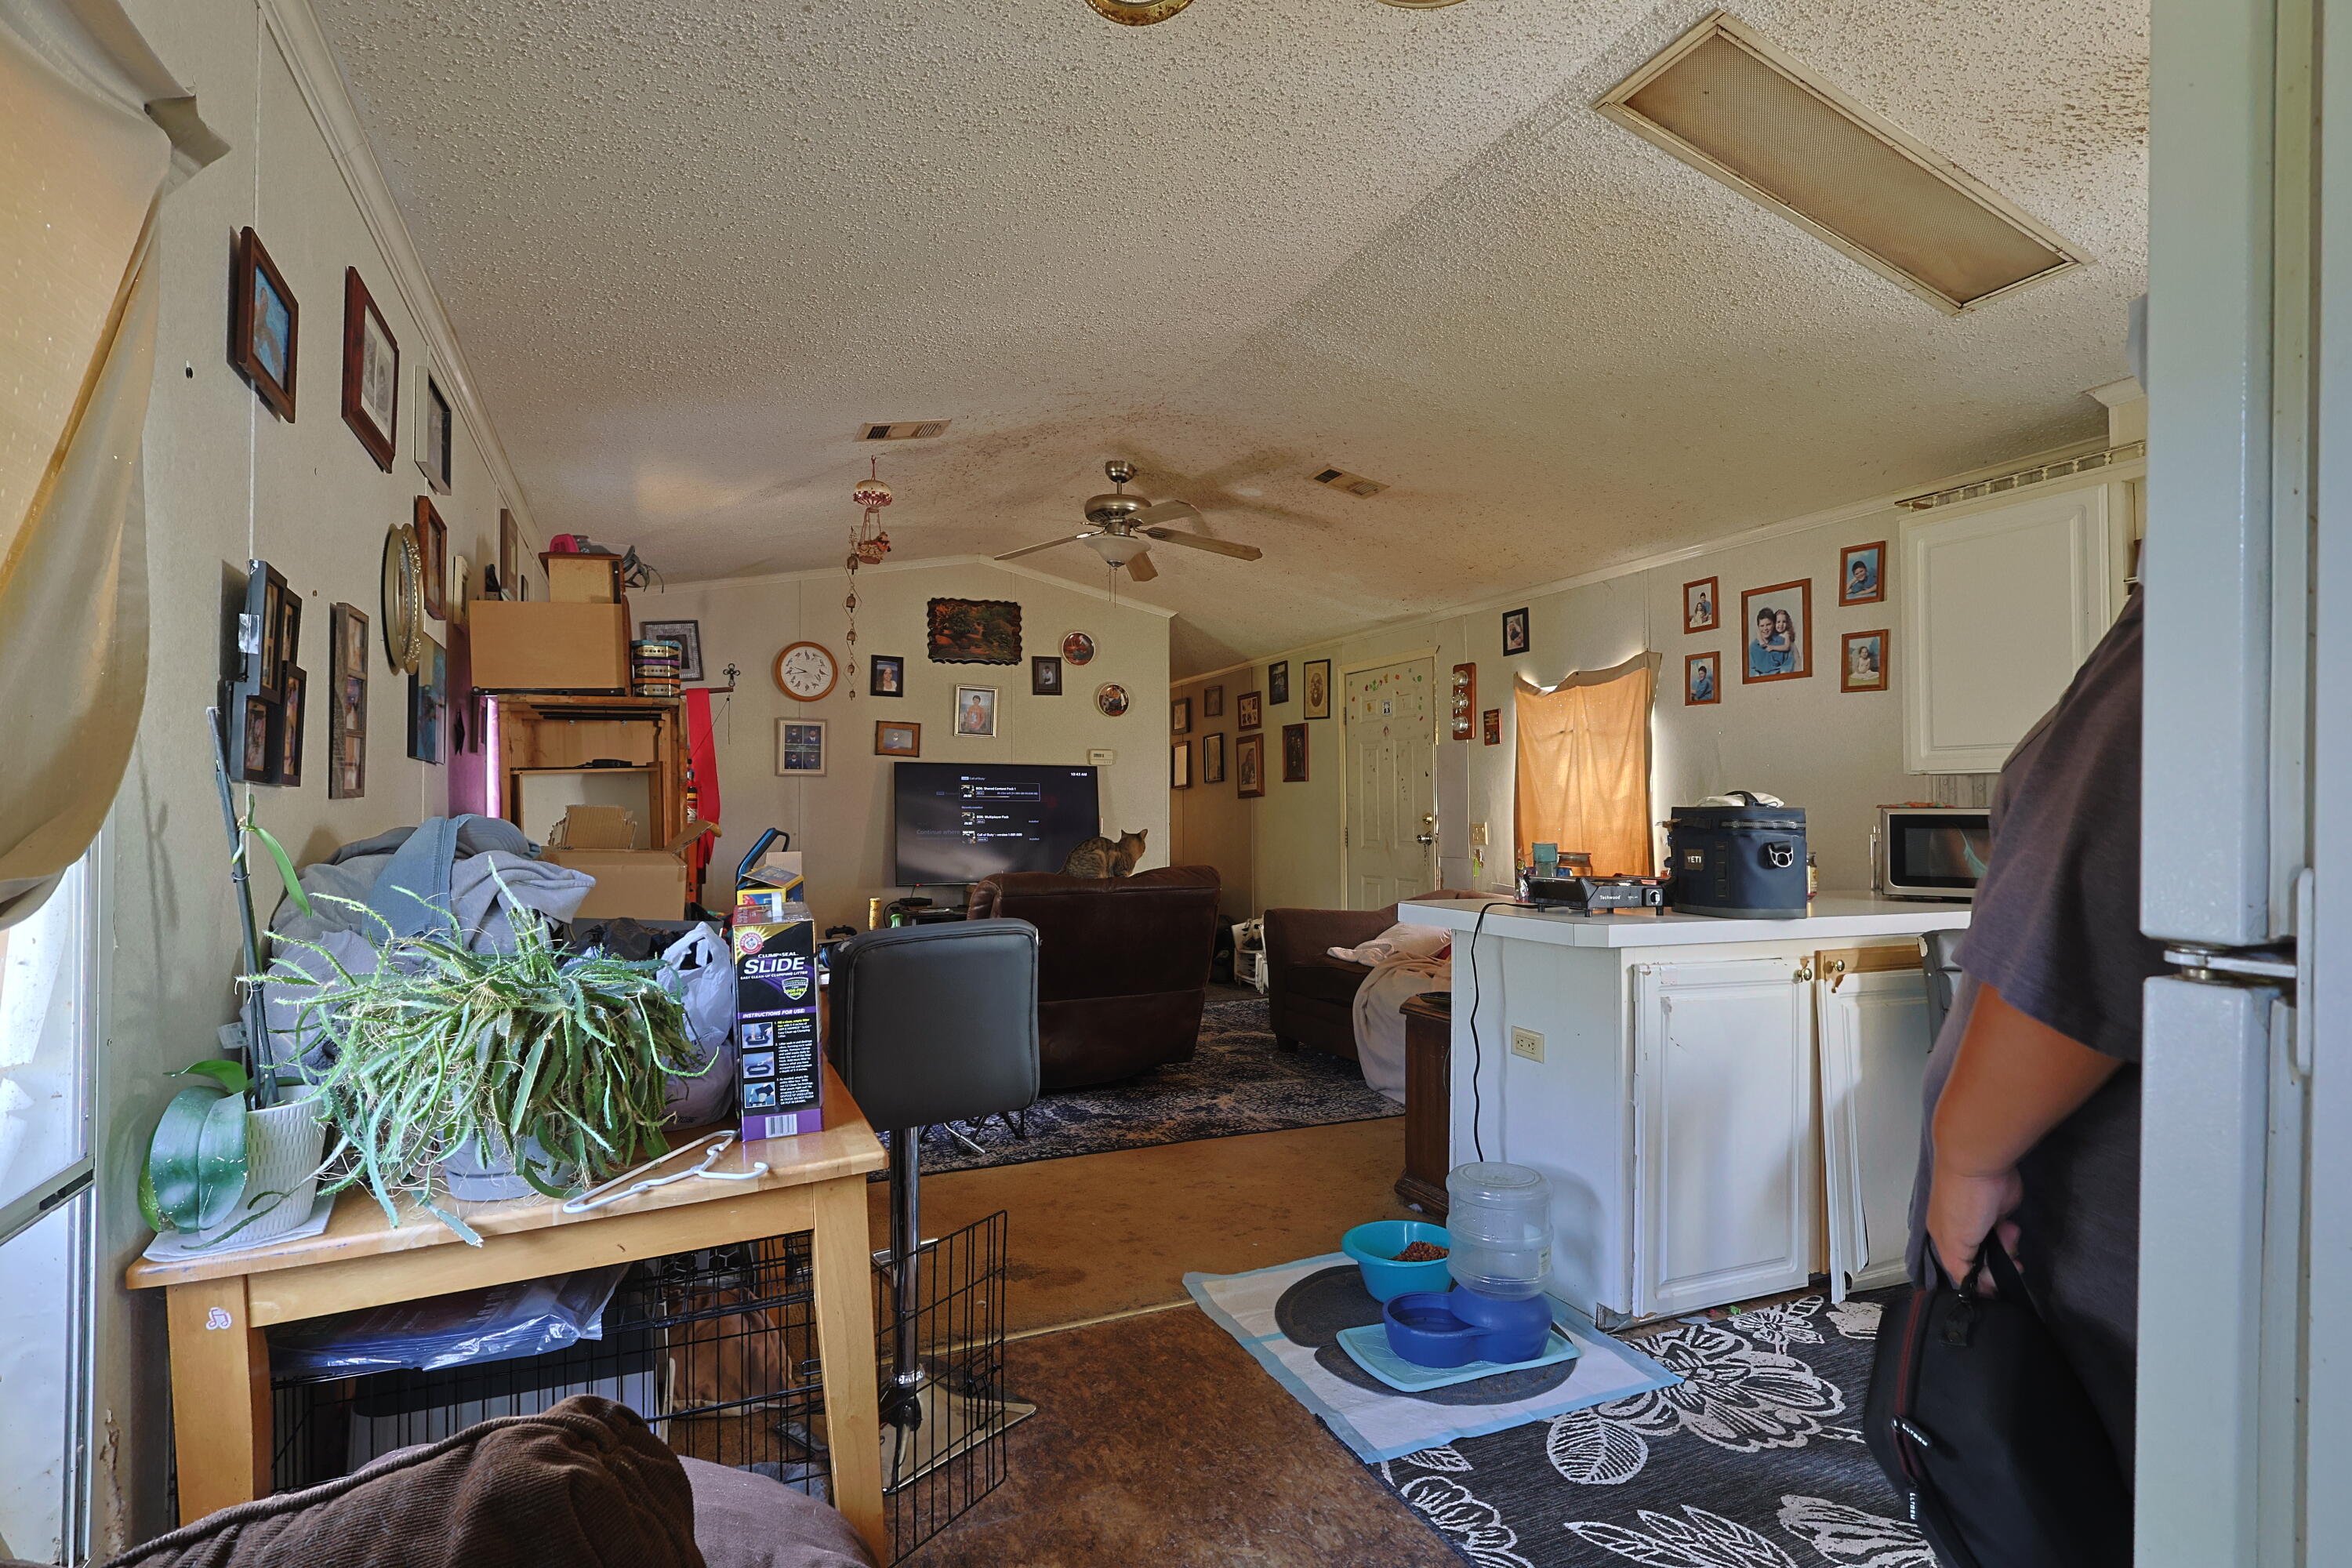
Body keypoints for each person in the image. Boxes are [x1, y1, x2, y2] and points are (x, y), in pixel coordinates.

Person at [1910, 586, 2162, 1504]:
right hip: (2105, 1229)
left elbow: (2077, 934)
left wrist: (1967, 1157)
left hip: (2081, 1237)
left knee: (2045, 1487)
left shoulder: (2199, 623)